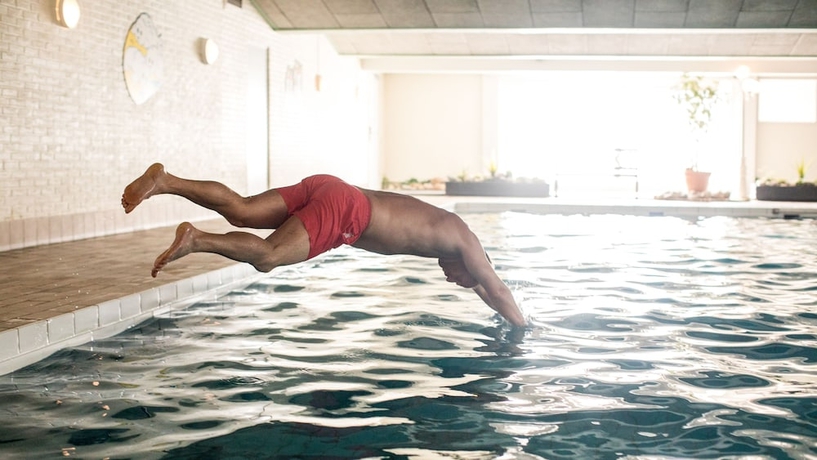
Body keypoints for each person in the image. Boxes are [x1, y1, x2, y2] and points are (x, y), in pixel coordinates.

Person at [122, 163, 526, 327]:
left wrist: (489, 299)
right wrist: (526, 330)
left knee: (243, 210)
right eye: (459, 279)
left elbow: (484, 290)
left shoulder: (450, 240)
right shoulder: (464, 239)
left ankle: (165, 181)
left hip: (332, 186)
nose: (451, 279)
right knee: (268, 257)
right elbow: (496, 287)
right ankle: (197, 239)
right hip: (347, 211)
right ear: (473, 262)